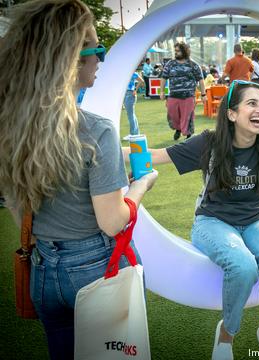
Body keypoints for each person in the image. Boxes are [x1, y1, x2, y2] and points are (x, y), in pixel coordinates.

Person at [0, 1, 158, 359]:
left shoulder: (8, 125)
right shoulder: (96, 129)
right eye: (95, 48)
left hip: (43, 270)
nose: (101, 59)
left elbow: (15, 204)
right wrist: (141, 184)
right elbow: (113, 220)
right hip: (96, 267)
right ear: (70, 59)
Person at [132, 80, 259, 360]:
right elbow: (159, 156)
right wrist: (105, 151)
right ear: (232, 114)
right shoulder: (211, 141)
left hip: (258, 220)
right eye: (252, 103)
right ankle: (226, 336)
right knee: (243, 267)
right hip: (213, 222)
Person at [161, 42, 206, 141]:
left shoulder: (193, 65)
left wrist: (203, 94)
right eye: (175, 51)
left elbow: (201, 80)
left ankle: (188, 135)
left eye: (178, 51)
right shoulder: (170, 64)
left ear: (184, 51)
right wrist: (162, 92)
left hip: (188, 96)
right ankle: (178, 129)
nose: (176, 53)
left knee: (187, 116)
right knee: (172, 115)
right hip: (173, 95)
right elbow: (164, 78)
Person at [123, 71, 145, 140]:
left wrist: (135, 89)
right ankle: (135, 133)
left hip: (130, 93)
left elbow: (141, 81)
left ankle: (133, 135)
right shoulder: (127, 72)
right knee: (131, 115)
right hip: (128, 93)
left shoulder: (132, 72)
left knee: (130, 115)